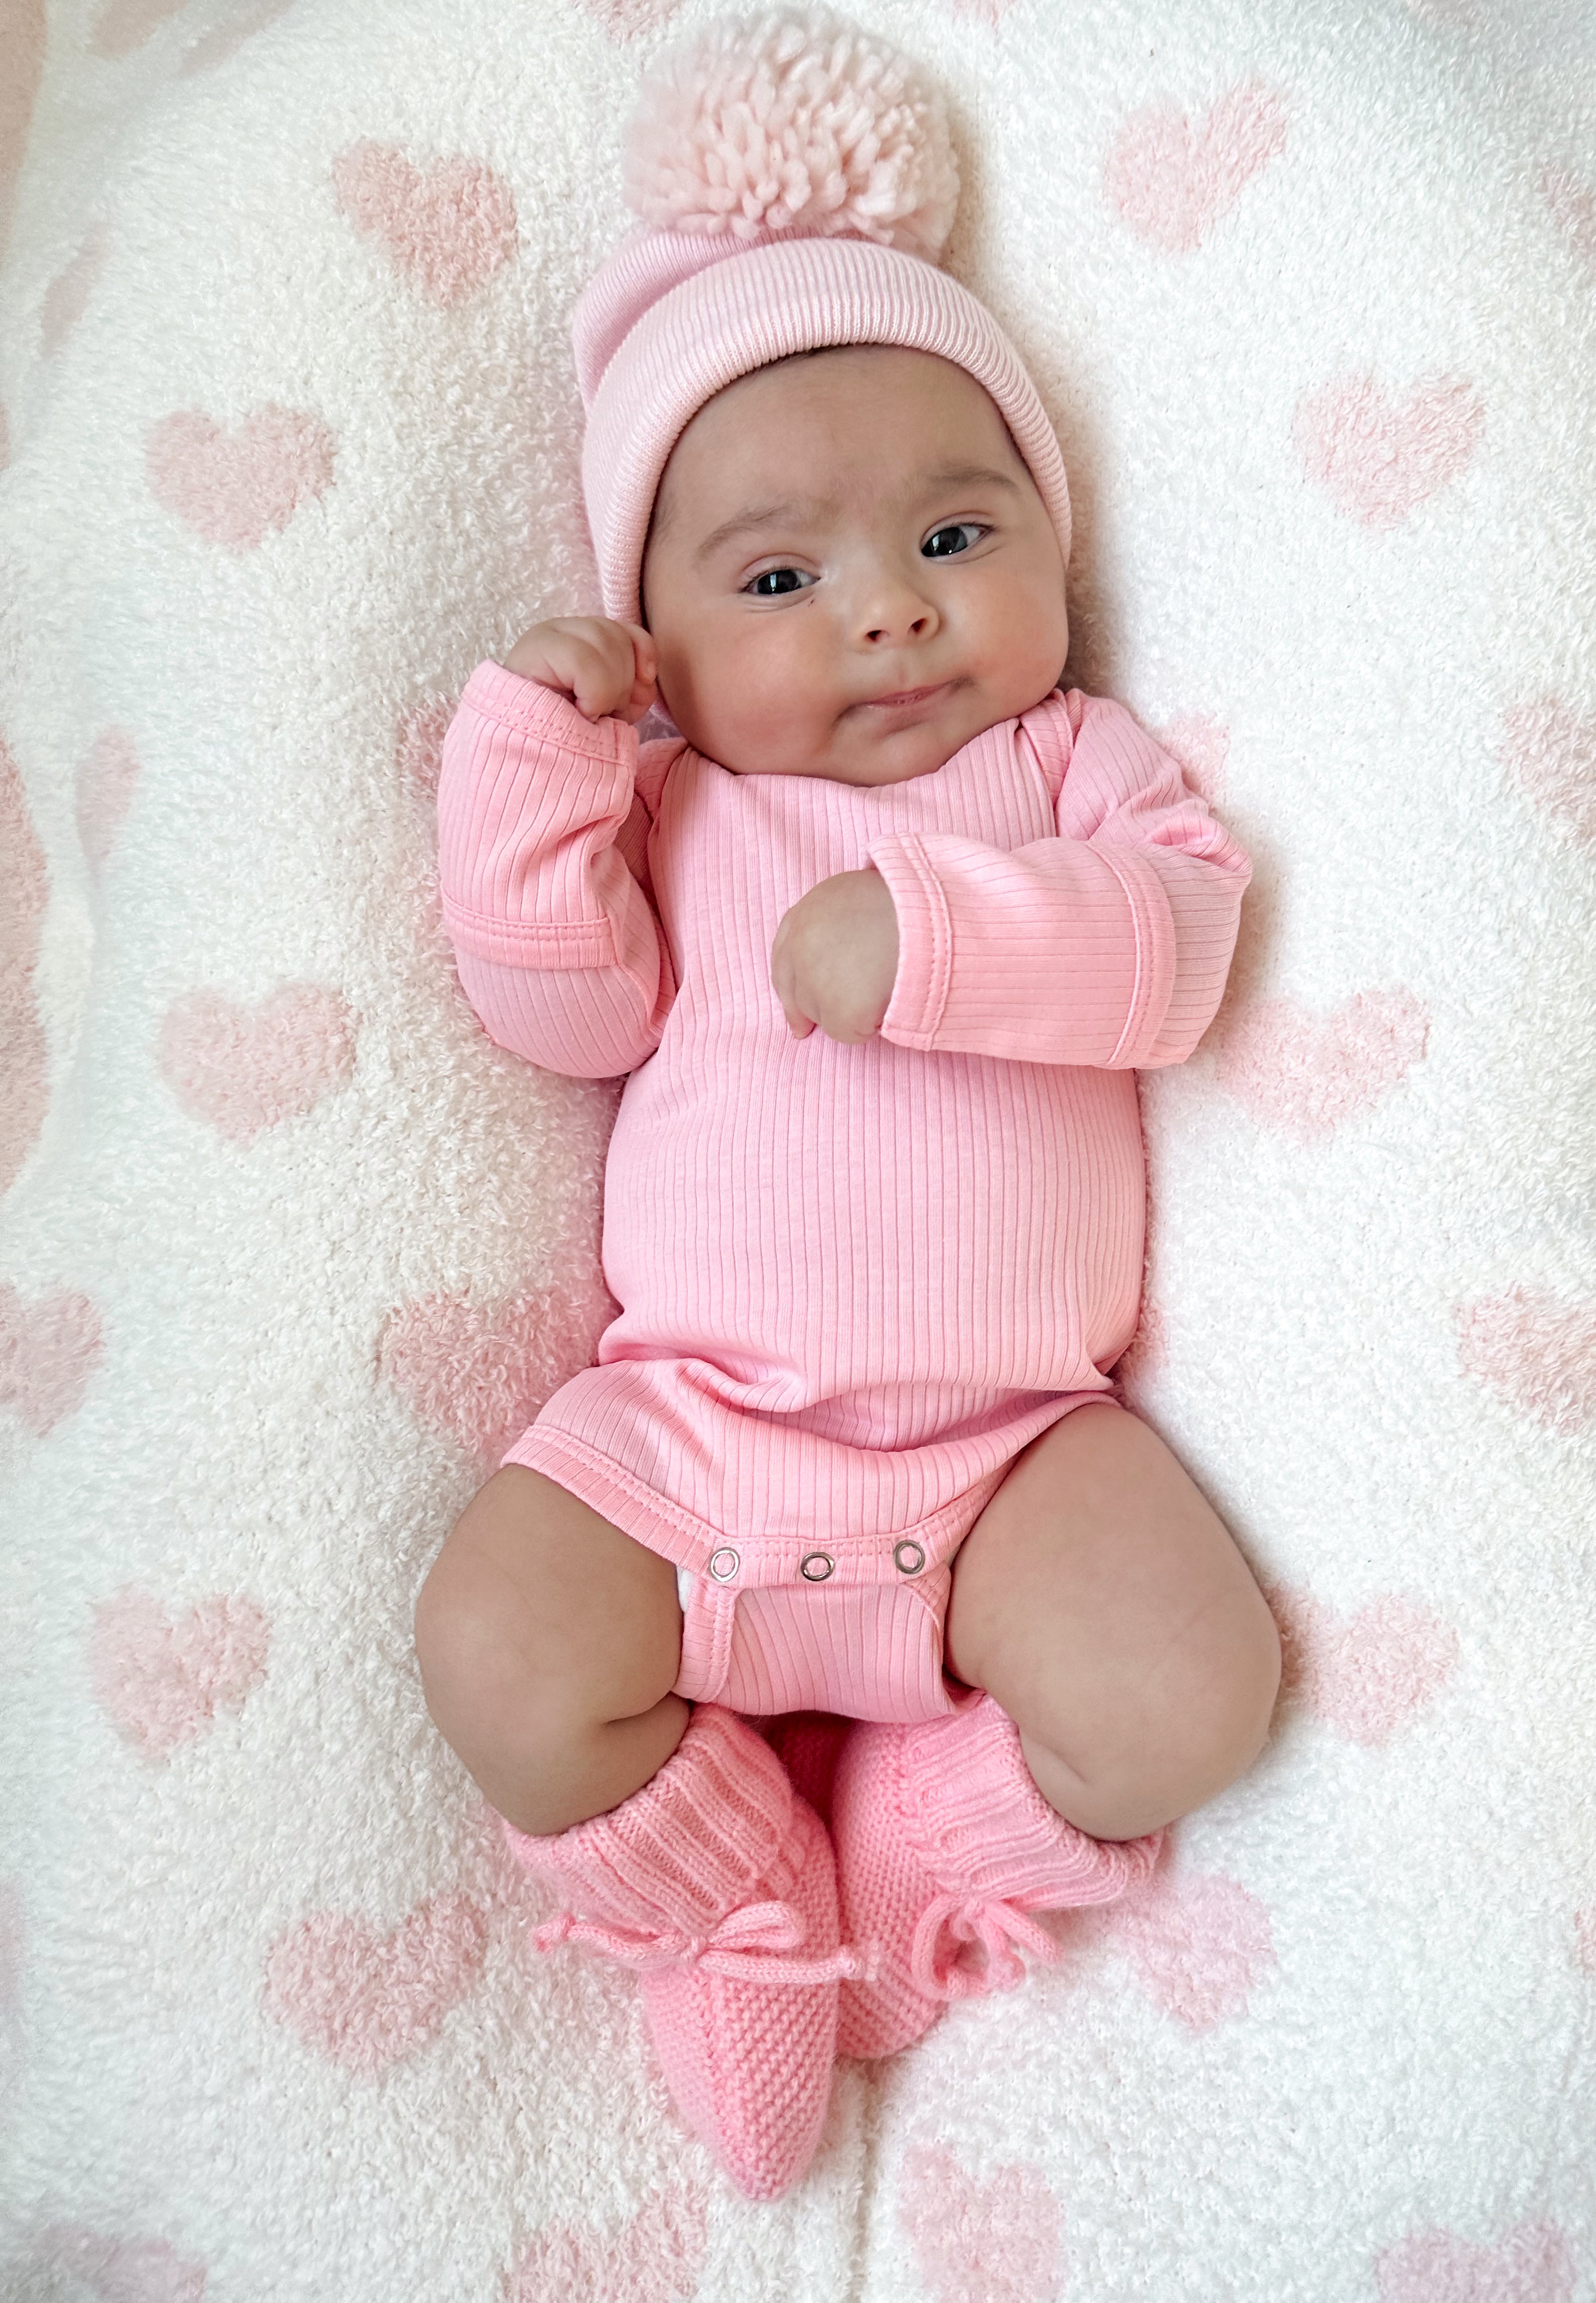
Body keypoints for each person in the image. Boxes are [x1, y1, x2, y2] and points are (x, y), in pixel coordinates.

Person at [415, 5, 1282, 2200]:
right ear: (662, 645)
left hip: (1016, 1456)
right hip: (689, 1422)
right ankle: (732, 1907)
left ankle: (906, 1871)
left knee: (1190, 1689)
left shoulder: (1066, 772)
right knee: (504, 1650)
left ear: (1050, 554)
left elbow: (1176, 946)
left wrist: (952, 933)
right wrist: (530, 761)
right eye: (781, 577)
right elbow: (554, 1011)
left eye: (958, 533)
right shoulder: (678, 806)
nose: (892, 613)